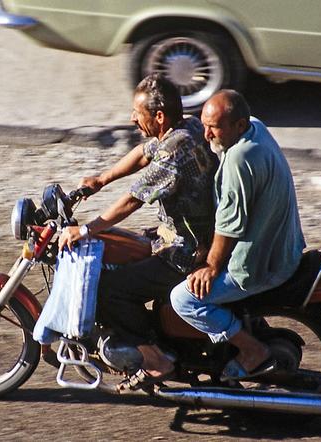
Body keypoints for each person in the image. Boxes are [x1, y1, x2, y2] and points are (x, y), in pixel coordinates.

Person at [58, 74, 216, 390]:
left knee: (106, 287)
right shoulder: (189, 128)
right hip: (176, 236)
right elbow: (144, 152)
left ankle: (155, 358)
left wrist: (86, 230)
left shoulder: (175, 151)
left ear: (158, 116)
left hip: (185, 251)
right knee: (124, 254)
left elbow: (132, 200)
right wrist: (101, 179)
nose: (132, 118)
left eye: (137, 112)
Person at [170, 90, 306, 381]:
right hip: (284, 249)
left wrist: (212, 267)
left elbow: (229, 226)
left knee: (184, 299)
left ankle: (252, 350)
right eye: (203, 125)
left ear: (239, 125)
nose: (206, 135)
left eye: (214, 128)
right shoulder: (257, 128)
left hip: (260, 266)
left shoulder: (238, 159)